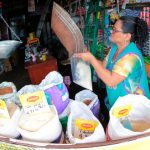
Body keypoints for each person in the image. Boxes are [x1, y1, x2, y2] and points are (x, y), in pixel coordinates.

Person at [75, 16, 150, 110]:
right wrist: (88, 56)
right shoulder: (115, 48)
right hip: (119, 105)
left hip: (134, 110)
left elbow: (111, 80)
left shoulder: (131, 56)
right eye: (112, 28)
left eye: (115, 30)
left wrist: (91, 59)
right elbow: (103, 66)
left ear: (127, 36)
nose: (111, 31)